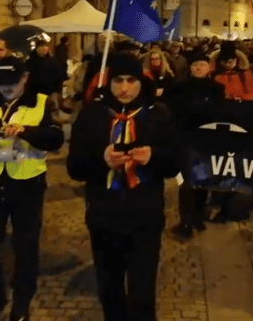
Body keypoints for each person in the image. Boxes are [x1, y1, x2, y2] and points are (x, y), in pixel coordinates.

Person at [68, 53, 178, 321]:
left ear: (141, 82)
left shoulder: (158, 114)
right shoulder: (92, 114)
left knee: (142, 291)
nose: (125, 88)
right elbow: (75, 168)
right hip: (104, 216)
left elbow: (175, 164)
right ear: (109, 82)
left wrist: (154, 157)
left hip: (145, 216)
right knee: (109, 288)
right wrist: (101, 158)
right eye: (118, 80)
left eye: (131, 80)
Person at [0, 57, 64, 321]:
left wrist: (25, 131)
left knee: (26, 247)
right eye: (2, 83)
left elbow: (56, 137)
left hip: (27, 184)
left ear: (24, 78)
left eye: (13, 82)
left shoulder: (41, 101)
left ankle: (22, 301)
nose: (7, 88)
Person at [164, 51, 225, 240]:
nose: (199, 68)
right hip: (187, 140)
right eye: (195, 65)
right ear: (190, 68)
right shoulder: (179, 87)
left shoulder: (216, 88)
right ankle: (186, 222)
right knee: (188, 183)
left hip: (208, 141)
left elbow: (221, 112)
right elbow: (171, 111)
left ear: (209, 67)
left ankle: (198, 216)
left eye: (202, 65)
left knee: (204, 181)